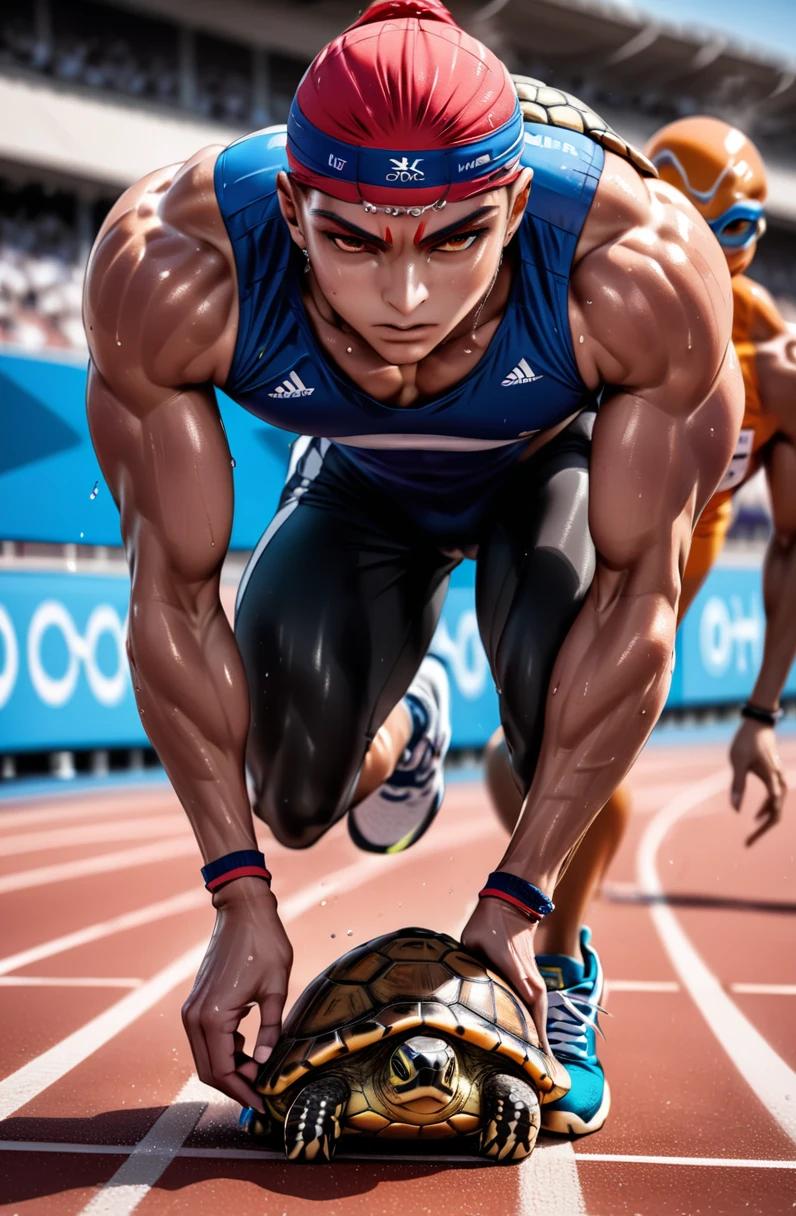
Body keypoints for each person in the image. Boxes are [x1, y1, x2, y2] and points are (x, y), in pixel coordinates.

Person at [83, 1, 741, 1119]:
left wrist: (515, 903)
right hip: (363, 486)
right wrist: (237, 896)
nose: (406, 302)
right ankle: (412, 727)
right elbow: (172, 598)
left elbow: (640, 603)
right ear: (290, 210)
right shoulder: (174, 263)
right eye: (353, 241)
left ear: (518, 203)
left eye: (454, 238)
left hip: (548, 475)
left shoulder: (638, 268)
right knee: (287, 800)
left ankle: (566, 964)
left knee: (556, 693)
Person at [485, 114, 796, 1134]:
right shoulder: (588, 306)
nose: (690, 249)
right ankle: (544, 948)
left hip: (652, 588)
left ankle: (558, 974)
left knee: (581, 779)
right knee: (550, 762)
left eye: (722, 230)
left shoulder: (787, 372)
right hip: (552, 543)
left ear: (747, 241)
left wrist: (762, 709)